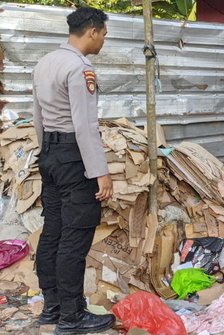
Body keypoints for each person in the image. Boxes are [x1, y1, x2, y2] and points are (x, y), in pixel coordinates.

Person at [32, 7, 116, 334]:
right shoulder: (80, 68)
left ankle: (52, 309)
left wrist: (47, 154)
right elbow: (84, 126)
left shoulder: (44, 63)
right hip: (73, 157)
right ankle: (72, 318)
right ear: (92, 31)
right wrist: (100, 171)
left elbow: (38, 118)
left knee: (52, 231)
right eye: (104, 35)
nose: (103, 41)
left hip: (50, 154)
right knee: (74, 237)